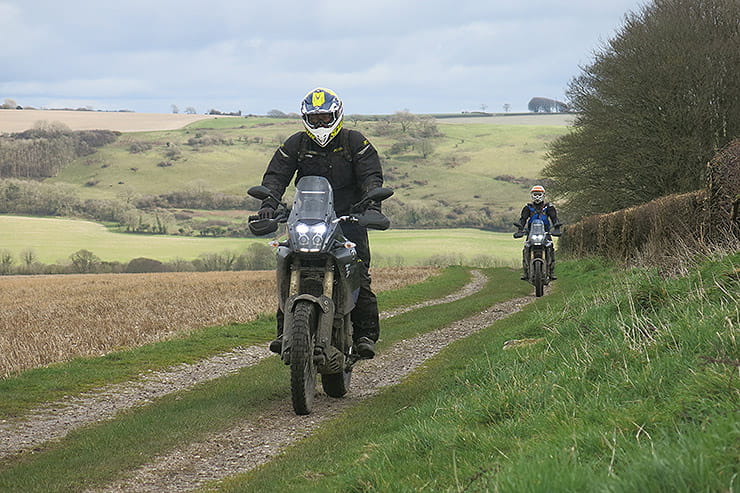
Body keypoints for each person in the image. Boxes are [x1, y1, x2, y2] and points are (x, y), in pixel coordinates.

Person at [257, 87, 384, 359]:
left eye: (326, 118)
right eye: (315, 119)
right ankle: (284, 332)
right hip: (308, 218)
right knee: (287, 263)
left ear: (337, 115)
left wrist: (372, 205)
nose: (321, 124)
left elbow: (371, 176)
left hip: (348, 218)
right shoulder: (296, 144)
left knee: (358, 273)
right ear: (306, 119)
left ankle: (364, 334)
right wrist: (268, 204)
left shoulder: (355, 142)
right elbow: (276, 176)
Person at [514, 185, 561, 280]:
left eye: (539, 194)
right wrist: (520, 230)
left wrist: (556, 228)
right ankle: (526, 271)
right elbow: (523, 220)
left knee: (550, 248)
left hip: (545, 233)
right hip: (531, 233)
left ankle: (551, 271)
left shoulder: (549, 207)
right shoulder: (528, 208)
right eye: (535, 194)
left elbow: (554, 218)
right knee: (526, 248)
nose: (537, 196)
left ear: (543, 195)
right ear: (531, 195)